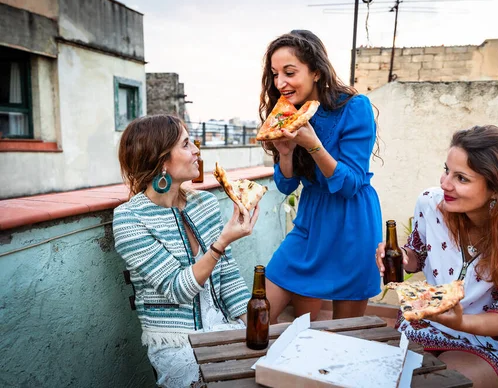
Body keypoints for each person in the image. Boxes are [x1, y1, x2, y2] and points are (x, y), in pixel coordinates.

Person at [376, 125, 498, 388]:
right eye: (446, 170)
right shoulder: (431, 203)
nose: (445, 184)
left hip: (487, 344)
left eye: (461, 178)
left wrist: (461, 322)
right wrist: (400, 257)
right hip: (423, 329)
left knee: (436, 385)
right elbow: (417, 254)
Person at [112, 115, 259, 388]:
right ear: (161, 160)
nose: (196, 151)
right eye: (186, 144)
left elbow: (228, 275)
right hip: (178, 344)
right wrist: (222, 242)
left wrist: (253, 328)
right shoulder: (129, 219)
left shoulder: (204, 202)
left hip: (223, 327)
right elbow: (178, 289)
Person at [260, 30, 383, 323]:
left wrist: (313, 144)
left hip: (352, 224)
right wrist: (286, 154)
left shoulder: (354, 107)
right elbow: (287, 184)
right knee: (260, 316)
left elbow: (351, 183)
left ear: (315, 71)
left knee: (347, 332)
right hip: (310, 222)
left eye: (289, 72)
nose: (280, 83)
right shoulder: (289, 111)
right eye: (275, 74)